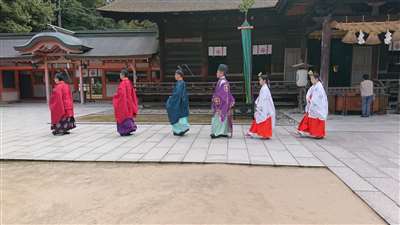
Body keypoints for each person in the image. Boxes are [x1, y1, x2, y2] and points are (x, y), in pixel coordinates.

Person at [297, 72, 328, 139]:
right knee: (308, 118)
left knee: (316, 119)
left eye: (312, 79)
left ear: (316, 79)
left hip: (317, 106)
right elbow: (310, 93)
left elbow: (317, 98)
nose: (311, 81)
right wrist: (309, 98)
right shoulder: (314, 86)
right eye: (311, 79)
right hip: (313, 105)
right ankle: (304, 130)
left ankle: (317, 133)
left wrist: (311, 100)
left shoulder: (319, 87)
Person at [247, 73, 275, 139]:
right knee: (259, 119)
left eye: (260, 80)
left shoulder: (265, 89)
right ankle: (252, 132)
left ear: (264, 81)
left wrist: (259, 107)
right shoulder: (264, 88)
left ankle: (263, 134)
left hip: (265, 107)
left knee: (261, 119)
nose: (259, 81)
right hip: (264, 107)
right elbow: (260, 98)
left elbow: (263, 99)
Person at [210, 64, 235, 139]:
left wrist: (216, 99)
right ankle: (222, 132)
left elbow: (223, 94)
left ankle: (218, 132)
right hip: (223, 102)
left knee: (219, 117)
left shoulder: (223, 82)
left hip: (222, 102)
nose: (216, 73)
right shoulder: (222, 81)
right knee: (221, 118)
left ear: (222, 73)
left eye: (217, 72)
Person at [112, 69, 138, 136]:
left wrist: (115, 96)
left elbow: (121, 94)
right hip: (129, 102)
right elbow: (132, 94)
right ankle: (129, 130)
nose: (120, 76)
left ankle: (124, 131)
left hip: (124, 102)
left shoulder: (123, 83)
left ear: (123, 75)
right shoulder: (129, 82)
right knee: (128, 116)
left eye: (120, 74)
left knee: (123, 116)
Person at [49, 71, 76, 135]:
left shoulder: (58, 87)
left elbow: (57, 98)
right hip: (68, 105)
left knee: (61, 118)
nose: (54, 80)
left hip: (62, 105)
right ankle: (65, 129)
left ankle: (60, 130)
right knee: (67, 119)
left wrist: (53, 105)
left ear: (58, 79)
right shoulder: (66, 85)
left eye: (55, 78)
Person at [166, 69, 190, 136]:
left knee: (177, 115)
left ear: (179, 75)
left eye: (175, 75)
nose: (175, 76)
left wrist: (171, 99)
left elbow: (177, 94)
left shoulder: (180, 83)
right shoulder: (181, 83)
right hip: (181, 102)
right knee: (181, 116)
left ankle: (180, 130)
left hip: (179, 102)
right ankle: (178, 130)